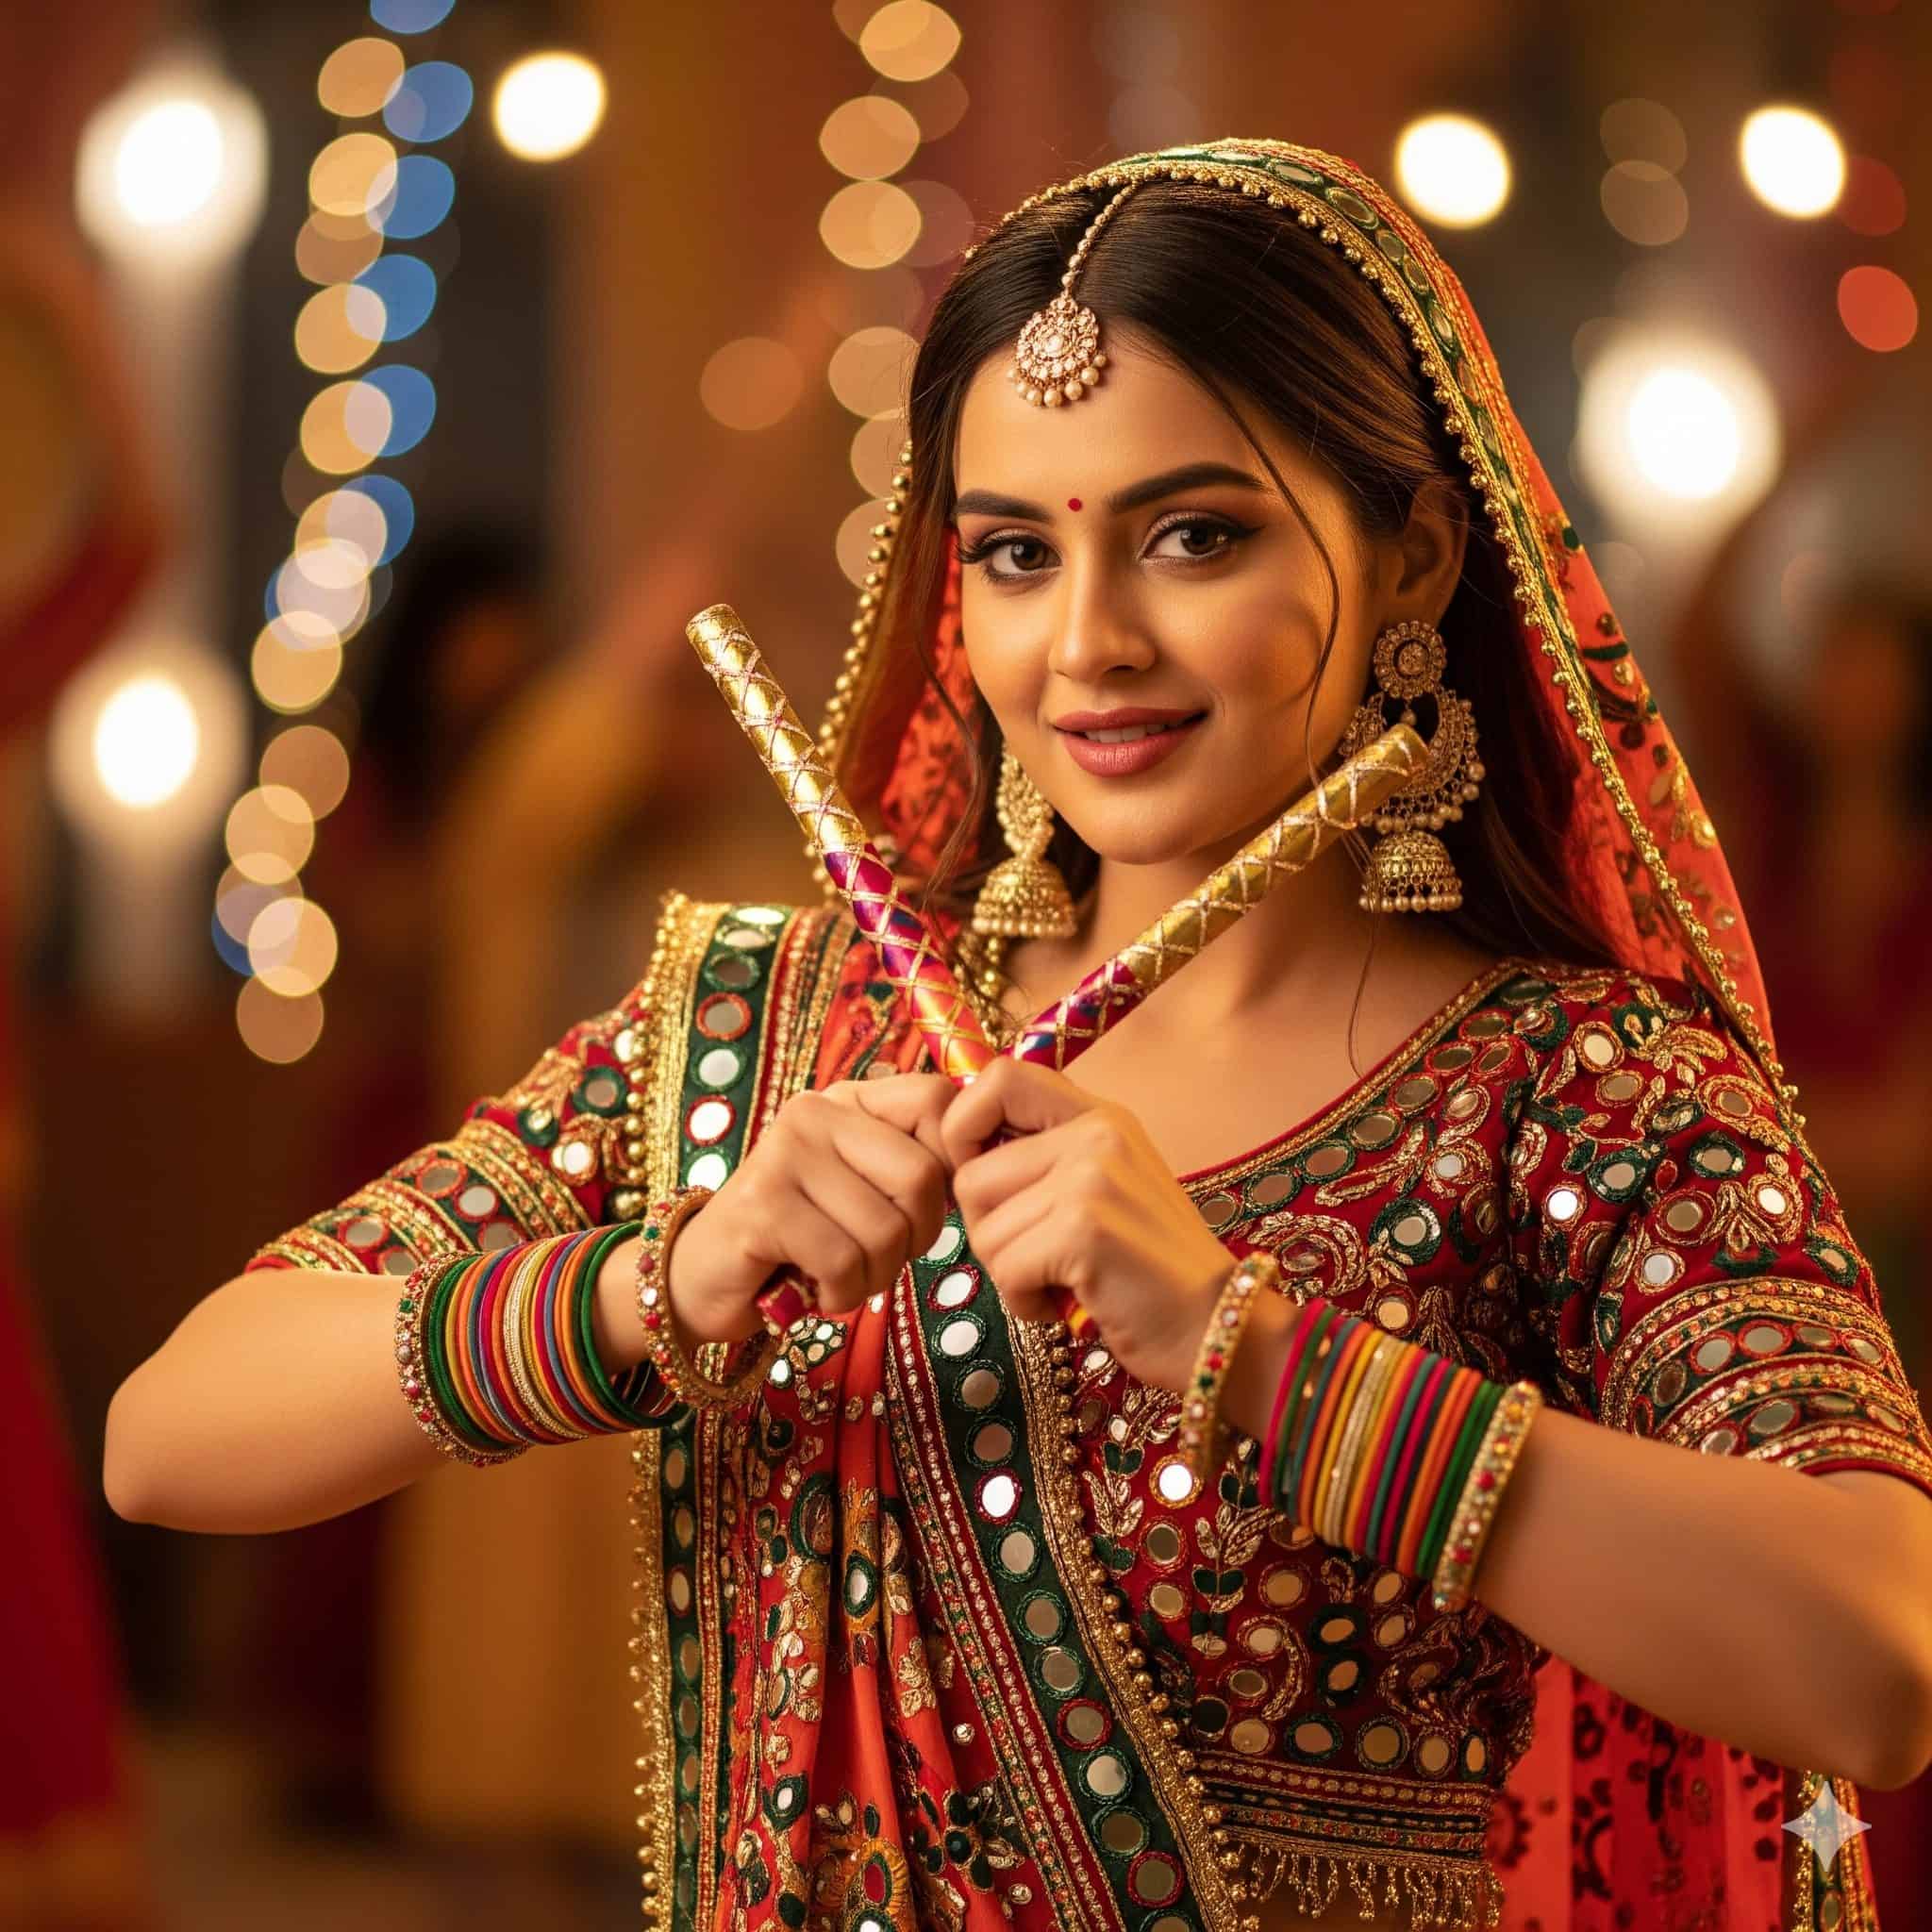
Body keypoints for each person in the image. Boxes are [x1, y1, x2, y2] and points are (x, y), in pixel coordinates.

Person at [102, 139, 1932, 1932]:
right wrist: (663, 1280)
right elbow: (174, 1435)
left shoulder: (1562, 1082)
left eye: (1191, 534)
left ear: (1416, 557)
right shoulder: (774, 1032)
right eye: (1012, 552)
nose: (1088, 642)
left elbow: (1873, 1655)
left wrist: (1255, 1353)